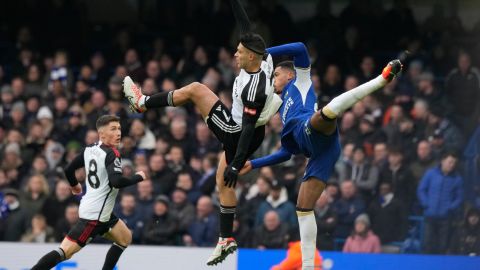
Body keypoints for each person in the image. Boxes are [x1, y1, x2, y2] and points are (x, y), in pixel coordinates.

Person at [123, 0, 281, 265]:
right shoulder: (262, 58)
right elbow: (246, 25)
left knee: (196, 90)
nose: (235, 55)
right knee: (223, 182)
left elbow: (249, 128)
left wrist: (238, 162)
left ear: (251, 56)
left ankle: (142, 103)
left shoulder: (255, 88)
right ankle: (226, 238)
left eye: (239, 52)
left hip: (239, 132)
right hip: (244, 127)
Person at [241, 42, 401, 268]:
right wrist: (254, 164)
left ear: (290, 75)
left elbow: (300, 48)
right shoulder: (281, 105)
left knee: (326, 113)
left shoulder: (301, 80)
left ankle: (382, 79)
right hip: (319, 152)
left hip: (313, 129)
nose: (273, 79)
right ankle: (308, 266)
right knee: (303, 208)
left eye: (276, 74)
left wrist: (265, 53)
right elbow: (287, 153)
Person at [31, 115, 146, 270]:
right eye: (113, 129)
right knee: (65, 252)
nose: (118, 133)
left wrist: (74, 186)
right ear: (102, 134)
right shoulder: (112, 153)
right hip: (94, 217)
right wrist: (138, 177)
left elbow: (69, 169)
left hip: (99, 211)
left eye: (119, 128)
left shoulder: (90, 149)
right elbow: (116, 182)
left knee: (125, 237)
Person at [417, 151, 463, 254]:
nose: (452, 165)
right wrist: (425, 203)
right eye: (450, 162)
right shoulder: (430, 173)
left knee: (442, 245)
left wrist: (450, 207)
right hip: (430, 215)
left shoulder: (457, 179)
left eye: (454, 163)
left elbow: (459, 197)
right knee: (427, 244)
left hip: (445, 218)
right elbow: (421, 189)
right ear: (443, 161)